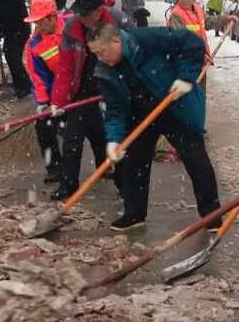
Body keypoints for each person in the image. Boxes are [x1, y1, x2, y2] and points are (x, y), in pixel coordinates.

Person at [89, 22, 221, 232]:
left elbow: (193, 43)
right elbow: (114, 110)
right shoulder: (105, 71)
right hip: (140, 116)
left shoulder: (147, 39)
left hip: (174, 107)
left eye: (102, 52)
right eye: (95, 54)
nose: (100, 58)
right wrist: (114, 139)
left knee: (196, 161)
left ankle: (212, 217)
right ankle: (134, 215)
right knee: (134, 164)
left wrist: (185, 77)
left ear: (116, 40)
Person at [50, 0, 123, 201]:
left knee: (116, 136)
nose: (81, 18)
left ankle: (124, 184)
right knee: (73, 137)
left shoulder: (118, 21)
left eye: (85, 13)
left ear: (99, 10)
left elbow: (134, 55)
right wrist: (57, 100)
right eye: (79, 12)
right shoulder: (71, 28)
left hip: (114, 84)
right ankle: (69, 185)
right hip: (83, 85)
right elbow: (65, 68)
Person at [23, 0, 66, 183]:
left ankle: (104, 163)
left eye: (41, 21)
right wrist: (43, 102)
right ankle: (55, 168)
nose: (38, 27)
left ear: (52, 17)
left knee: (93, 128)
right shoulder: (34, 44)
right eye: (35, 22)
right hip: (56, 93)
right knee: (43, 126)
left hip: (81, 88)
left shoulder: (71, 31)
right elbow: (38, 78)